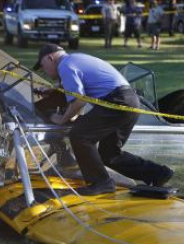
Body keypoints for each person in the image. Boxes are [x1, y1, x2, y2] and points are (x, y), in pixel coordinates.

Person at [32, 44, 174, 195]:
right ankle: (158, 173)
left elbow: (78, 100)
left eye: (42, 66)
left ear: (50, 57)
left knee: (79, 136)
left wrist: (62, 119)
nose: (44, 71)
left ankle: (101, 183)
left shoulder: (65, 65)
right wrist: (55, 90)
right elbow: (80, 89)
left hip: (117, 101)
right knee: (109, 154)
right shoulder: (75, 60)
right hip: (130, 100)